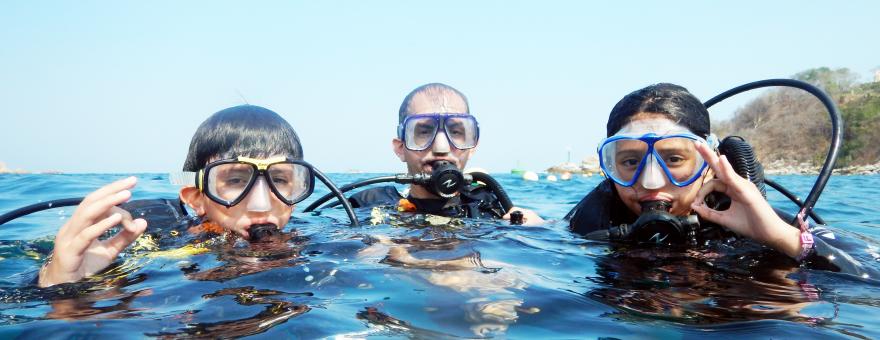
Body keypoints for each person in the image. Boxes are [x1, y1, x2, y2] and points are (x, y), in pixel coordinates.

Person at [566, 83, 876, 278]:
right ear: (610, 166)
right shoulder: (586, 227)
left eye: (674, 159)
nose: (650, 181)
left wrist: (784, 240)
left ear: (710, 162)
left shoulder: (772, 228)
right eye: (630, 161)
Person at [38, 105, 318, 287]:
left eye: (280, 180)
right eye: (235, 180)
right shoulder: (156, 240)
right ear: (196, 198)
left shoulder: (317, 240)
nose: (262, 203)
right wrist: (63, 283)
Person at [348, 83, 544, 225]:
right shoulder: (365, 205)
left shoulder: (491, 207)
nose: (441, 147)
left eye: (457, 132)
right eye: (424, 131)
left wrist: (538, 229)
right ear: (400, 148)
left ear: (472, 146)